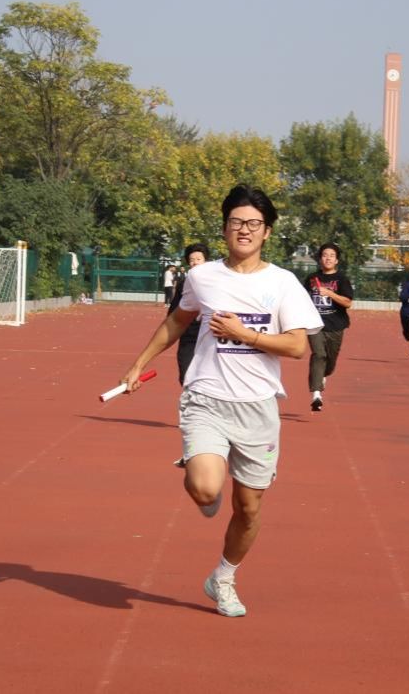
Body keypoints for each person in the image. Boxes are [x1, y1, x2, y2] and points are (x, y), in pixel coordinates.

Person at [120, 185, 322, 618]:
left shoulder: (283, 283)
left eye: (253, 224)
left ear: (267, 231)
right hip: (206, 397)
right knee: (206, 488)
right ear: (225, 228)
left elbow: (296, 346)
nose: (244, 230)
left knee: (248, 508)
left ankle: (223, 578)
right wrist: (138, 364)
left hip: (258, 407)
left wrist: (244, 334)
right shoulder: (202, 277)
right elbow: (177, 321)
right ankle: (203, 475)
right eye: (236, 222)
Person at [304, 242, 354, 412]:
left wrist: (330, 293)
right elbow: (302, 299)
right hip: (315, 324)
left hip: (335, 325)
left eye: (332, 256)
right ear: (320, 259)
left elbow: (347, 303)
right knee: (318, 355)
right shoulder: (312, 278)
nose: (328, 258)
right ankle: (316, 395)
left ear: (337, 260)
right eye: (325, 255)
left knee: (330, 363)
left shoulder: (342, 279)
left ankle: (323, 375)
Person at [168, 243, 209, 385]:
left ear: (206, 261)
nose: (195, 262)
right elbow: (173, 315)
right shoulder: (183, 284)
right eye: (192, 260)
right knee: (186, 377)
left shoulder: (216, 283)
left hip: (210, 337)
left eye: (198, 259)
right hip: (189, 338)